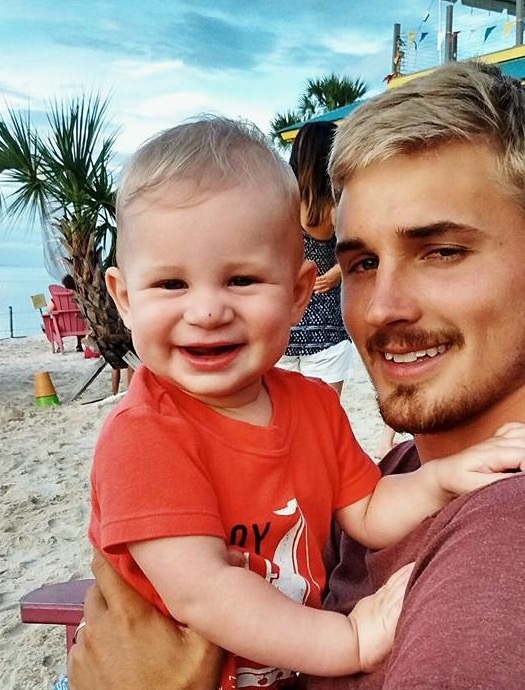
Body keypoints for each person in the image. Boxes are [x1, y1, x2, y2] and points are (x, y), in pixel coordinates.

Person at [67, 65, 525, 689]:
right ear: (123, 297)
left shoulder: (316, 408)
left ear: (298, 293)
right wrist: (348, 638)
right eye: (362, 262)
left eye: (442, 250)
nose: (207, 311)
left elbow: (366, 507)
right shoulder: (144, 434)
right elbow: (201, 591)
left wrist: (442, 479)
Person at [277, 122, 352, 396]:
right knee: (324, 415)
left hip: (283, 320)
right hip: (326, 325)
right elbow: (368, 249)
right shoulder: (335, 205)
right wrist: (339, 271)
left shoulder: (277, 203)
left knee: (281, 414)